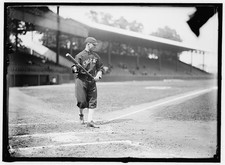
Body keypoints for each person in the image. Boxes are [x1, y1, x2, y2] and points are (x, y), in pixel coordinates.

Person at [71, 37, 104, 128]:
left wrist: (98, 76)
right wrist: (75, 68)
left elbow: (100, 68)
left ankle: (90, 121)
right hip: (81, 80)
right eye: (94, 45)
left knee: (92, 100)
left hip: (92, 80)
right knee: (82, 102)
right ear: (88, 44)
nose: (95, 47)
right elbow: (74, 69)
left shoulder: (96, 56)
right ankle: (81, 114)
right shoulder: (79, 56)